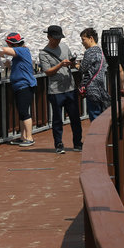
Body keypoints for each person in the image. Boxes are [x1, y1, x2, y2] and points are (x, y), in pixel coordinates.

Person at [38, 25, 82, 154]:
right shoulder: (43, 53)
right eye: (55, 38)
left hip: (70, 87)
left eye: (59, 38)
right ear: (49, 37)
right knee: (57, 119)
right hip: (56, 90)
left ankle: (78, 143)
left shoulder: (64, 46)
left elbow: (73, 63)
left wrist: (73, 63)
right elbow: (48, 72)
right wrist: (60, 65)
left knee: (75, 118)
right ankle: (58, 144)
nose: (57, 41)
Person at [0, 32, 37, 147]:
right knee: (21, 112)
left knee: (24, 111)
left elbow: (4, 50)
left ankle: (29, 137)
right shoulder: (19, 54)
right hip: (19, 85)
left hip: (25, 85)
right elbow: (14, 67)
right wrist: (5, 61)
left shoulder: (23, 50)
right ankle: (23, 137)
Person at [77, 27, 110, 120]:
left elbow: (82, 69)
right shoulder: (100, 51)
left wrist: (76, 66)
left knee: (95, 116)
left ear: (91, 38)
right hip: (101, 88)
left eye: (83, 39)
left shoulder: (89, 52)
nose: (82, 42)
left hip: (92, 89)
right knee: (101, 115)